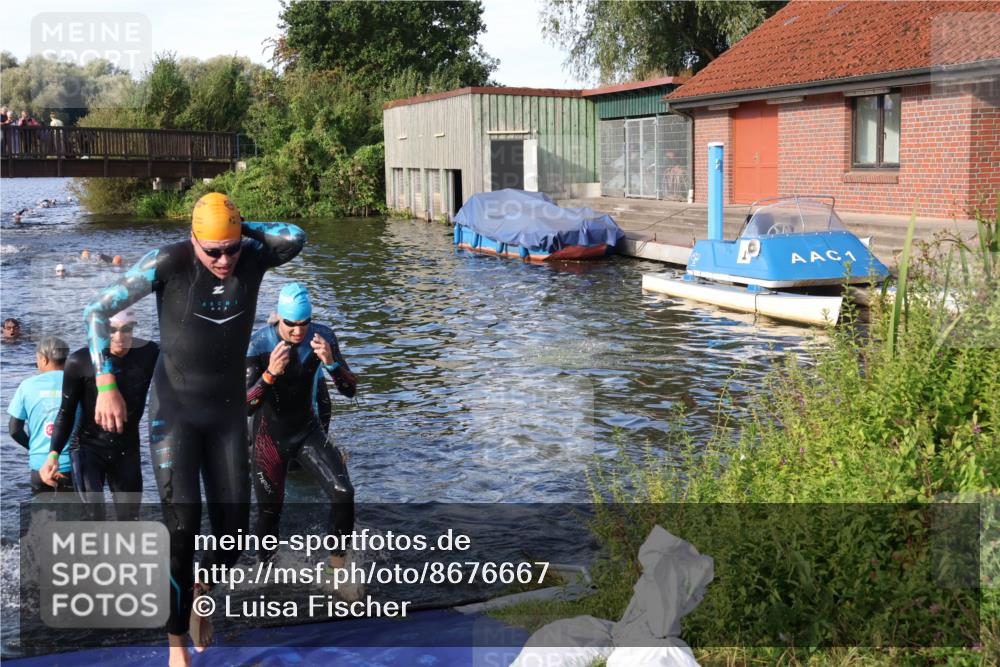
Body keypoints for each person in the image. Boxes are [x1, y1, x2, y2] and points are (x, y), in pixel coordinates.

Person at [82, 192, 304, 667]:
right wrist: (105, 384)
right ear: (193, 240)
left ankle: (200, 589)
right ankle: (176, 641)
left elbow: (295, 236)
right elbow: (97, 312)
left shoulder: (253, 255)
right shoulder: (168, 261)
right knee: (181, 530)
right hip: (176, 412)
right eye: (213, 251)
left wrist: (244, 231)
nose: (224, 260)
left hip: (225, 415)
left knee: (234, 535)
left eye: (231, 249)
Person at [245, 284, 358, 593]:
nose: (297, 331)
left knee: (343, 492)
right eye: (290, 324)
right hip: (269, 439)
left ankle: (336, 571)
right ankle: (266, 574)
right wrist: (269, 374)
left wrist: (332, 363)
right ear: (279, 318)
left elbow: (350, 390)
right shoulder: (259, 344)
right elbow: (245, 405)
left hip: (307, 431)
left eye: (303, 323)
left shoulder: (323, 336)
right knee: (270, 512)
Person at [41, 310, 158, 521]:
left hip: (127, 448)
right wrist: (53, 455)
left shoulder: (149, 353)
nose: (120, 337)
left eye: (127, 329)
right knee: (95, 517)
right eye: (112, 330)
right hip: (87, 447)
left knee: (129, 519)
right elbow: (65, 412)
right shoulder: (80, 361)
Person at [6, 337, 74, 493]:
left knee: (42, 516)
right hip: (73, 465)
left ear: (44, 359)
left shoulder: (27, 386)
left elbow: (14, 430)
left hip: (40, 466)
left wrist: (34, 448)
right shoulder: (80, 382)